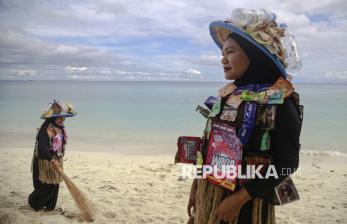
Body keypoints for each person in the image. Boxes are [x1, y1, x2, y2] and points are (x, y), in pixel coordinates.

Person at [186, 9, 303, 224]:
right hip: (210, 193)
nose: (223, 60)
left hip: (249, 205)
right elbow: (209, 147)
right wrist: (196, 187)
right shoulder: (228, 95)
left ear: (253, 54)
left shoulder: (281, 101)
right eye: (222, 54)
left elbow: (288, 163)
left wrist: (239, 199)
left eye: (229, 52)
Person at [28, 100, 77, 211]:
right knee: (47, 186)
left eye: (63, 117)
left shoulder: (59, 128)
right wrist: (51, 160)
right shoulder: (45, 130)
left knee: (55, 185)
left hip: (56, 160)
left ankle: (50, 207)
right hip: (45, 162)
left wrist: (57, 158)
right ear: (51, 118)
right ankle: (34, 203)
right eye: (59, 117)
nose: (62, 120)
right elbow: (41, 149)